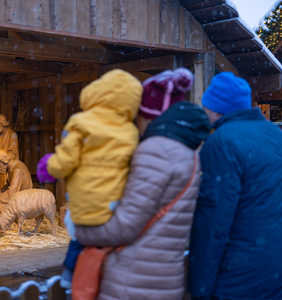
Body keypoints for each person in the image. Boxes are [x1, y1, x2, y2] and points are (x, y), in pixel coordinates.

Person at [71, 78, 210, 299]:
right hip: (164, 276)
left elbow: (126, 226)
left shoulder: (155, 151)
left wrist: (81, 230)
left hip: (132, 279)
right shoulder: (188, 153)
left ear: (148, 114)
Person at [37, 69, 146, 288]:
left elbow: (66, 159)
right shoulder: (129, 131)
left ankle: (69, 276)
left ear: (97, 93)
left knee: (80, 239)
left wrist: (49, 167)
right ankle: (111, 275)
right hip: (116, 204)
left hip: (86, 202)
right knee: (110, 243)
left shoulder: (81, 122)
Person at [188, 72, 282, 299]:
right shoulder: (275, 135)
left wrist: (199, 286)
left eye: (206, 106)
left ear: (217, 109)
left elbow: (213, 221)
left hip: (239, 272)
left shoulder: (221, 142)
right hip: (274, 266)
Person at [0, 149, 33, 215]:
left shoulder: (17, 169)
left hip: (24, 201)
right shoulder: (10, 168)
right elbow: (8, 186)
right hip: (16, 196)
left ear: (3, 161)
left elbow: (12, 191)